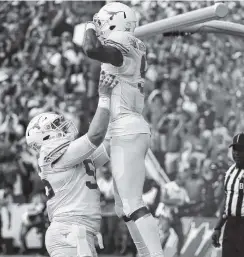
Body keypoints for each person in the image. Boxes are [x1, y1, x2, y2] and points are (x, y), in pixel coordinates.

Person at [82, 2, 163, 257]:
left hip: (126, 128)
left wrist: (87, 26)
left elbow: (91, 49)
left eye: (102, 22)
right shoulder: (132, 43)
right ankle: (146, 254)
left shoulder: (122, 41)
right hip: (119, 130)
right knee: (120, 206)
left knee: (133, 204)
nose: (99, 27)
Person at [25, 72, 117, 257]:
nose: (65, 127)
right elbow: (96, 136)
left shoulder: (70, 158)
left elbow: (109, 143)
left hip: (78, 232)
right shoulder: (51, 156)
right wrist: (104, 97)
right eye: (57, 125)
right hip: (70, 232)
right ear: (45, 136)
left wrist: (121, 108)